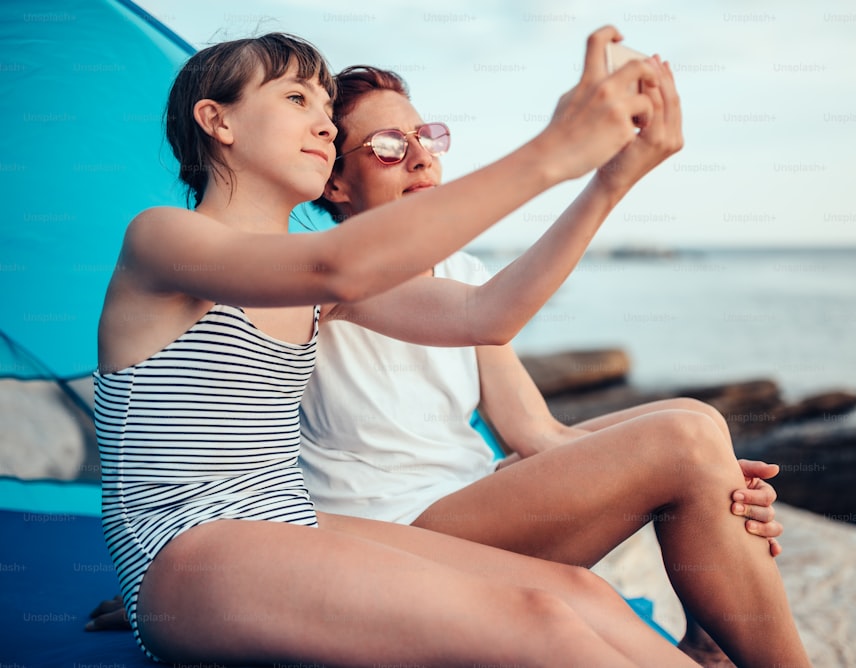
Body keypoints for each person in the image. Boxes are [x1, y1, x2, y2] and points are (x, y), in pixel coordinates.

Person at [94, 27, 713, 666]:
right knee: (535, 623)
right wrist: (556, 148)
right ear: (216, 120)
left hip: (294, 524)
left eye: (325, 105)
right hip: (189, 547)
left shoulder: (316, 285)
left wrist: (609, 180)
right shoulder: (163, 240)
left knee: (579, 595)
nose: (326, 125)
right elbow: (334, 264)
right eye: (297, 99)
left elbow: (487, 311)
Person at [292, 65, 809, 667]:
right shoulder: (323, 274)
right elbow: (491, 316)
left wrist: (708, 471)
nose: (419, 158)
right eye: (386, 146)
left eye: (426, 137)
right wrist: (610, 180)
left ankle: (709, 644)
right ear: (336, 184)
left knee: (695, 419)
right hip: (395, 529)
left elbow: (538, 434)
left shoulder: (461, 272)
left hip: (469, 500)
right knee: (685, 440)